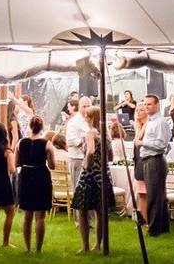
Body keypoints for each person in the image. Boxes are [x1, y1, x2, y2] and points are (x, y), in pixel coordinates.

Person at [71, 106, 115, 252]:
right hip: (103, 174)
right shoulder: (106, 135)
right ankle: (99, 244)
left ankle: (85, 246)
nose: (84, 118)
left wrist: (86, 162)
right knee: (100, 211)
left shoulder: (91, 133)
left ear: (92, 118)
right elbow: (111, 156)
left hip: (90, 175)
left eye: (86, 116)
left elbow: (90, 150)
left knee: (82, 210)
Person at [16, 116, 55, 252]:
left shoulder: (20, 143)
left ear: (30, 126)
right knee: (40, 216)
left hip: (26, 175)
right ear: (41, 128)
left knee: (27, 215)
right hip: (41, 176)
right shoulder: (47, 144)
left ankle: (27, 248)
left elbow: (17, 163)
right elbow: (52, 165)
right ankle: (38, 248)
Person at [137, 94, 171, 236]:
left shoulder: (160, 122)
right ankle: (161, 227)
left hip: (155, 160)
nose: (146, 106)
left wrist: (143, 143)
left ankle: (154, 228)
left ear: (157, 105)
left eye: (149, 104)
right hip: (148, 159)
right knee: (157, 196)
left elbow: (162, 144)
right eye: (145, 104)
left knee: (154, 196)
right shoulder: (150, 122)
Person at [66, 96, 91, 190]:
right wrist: (86, 142)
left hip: (89, 158)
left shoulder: (91, 120)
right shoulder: (74, 121)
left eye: (88, 106)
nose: (86, 109)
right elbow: (70, 140)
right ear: (79, 107)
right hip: (77, 159)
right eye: (84, 106)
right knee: (78, 189)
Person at [133, 103, 149, 224]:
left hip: (146, 162)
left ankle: (148, 219)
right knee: (141, 193)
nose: (138, 112)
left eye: (141, 110)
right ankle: (142, 219)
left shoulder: (149, 126)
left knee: (146, 193)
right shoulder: (138, 127)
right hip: (139, 162)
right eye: (137, 110)